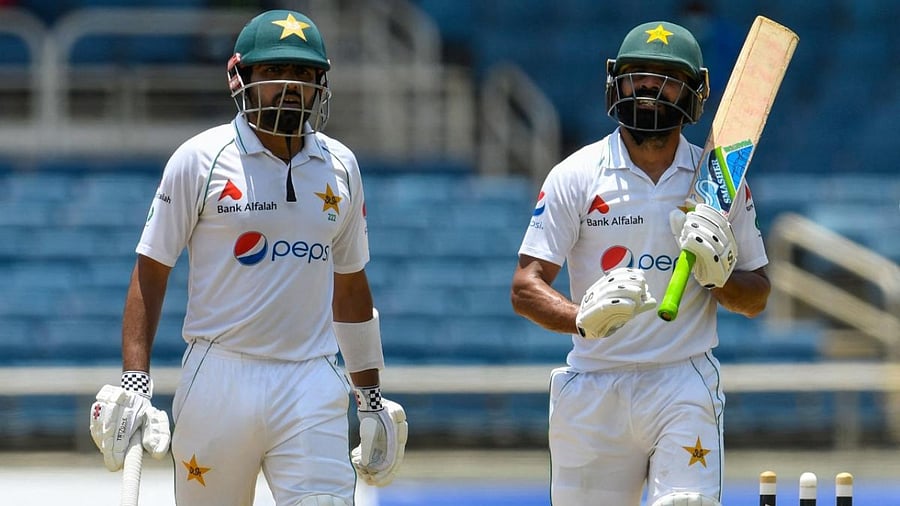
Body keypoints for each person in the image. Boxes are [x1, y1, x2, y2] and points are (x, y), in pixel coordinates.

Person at [88, 9, 408, 506]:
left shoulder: (341, 165)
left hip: (312, 379)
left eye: (304, 75)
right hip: (219, 376)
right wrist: (136, 380)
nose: (291, 87)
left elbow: (350, 285)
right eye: (274, 73)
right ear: (242, 78)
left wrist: (369, 398)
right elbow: (151, 271)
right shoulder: (200, 158)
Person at [510, 20, 771, 506]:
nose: (649, 86)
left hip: (682, 381)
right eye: (638, 74)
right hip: (594, 386)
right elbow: (526, 286)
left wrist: (719, 278)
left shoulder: (720, 182)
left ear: (694, 91)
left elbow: (757, 296)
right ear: (616, 83)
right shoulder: (577, 174)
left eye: (666, 76)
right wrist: (580, 318)